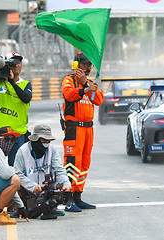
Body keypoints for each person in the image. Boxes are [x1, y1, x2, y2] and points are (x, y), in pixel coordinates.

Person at [61, 52, 104, 212]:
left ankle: (78, 196)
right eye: (85, 65)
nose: (88, 68)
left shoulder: (90, 82)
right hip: (74, 128)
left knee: (85, 163)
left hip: (88, 129)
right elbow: (69, 95)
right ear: (76, 65)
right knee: (72, 162)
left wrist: (86, 84)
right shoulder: (68, 80)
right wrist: (84, 89)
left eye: (90, 66)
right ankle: (67, 198)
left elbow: (98, 100)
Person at [13, 124, 71, 220]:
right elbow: (17, 173)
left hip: (47, 187)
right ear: (36, 139)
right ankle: (20, 207)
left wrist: (66, 184)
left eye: (49, 141)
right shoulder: (22, 151)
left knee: (61, 185)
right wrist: (32, 186)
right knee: (14, 183)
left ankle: (50, 206)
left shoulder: (51, 149)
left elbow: (59, 169)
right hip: (28, 189)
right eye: (44, 140)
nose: (47, 143)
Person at [0, 52, 32, 166]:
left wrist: (12, 82)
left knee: (16, 167)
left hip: (17, 132)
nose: (17, 64)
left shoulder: (25, 84)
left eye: (19, 62)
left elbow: (26, 98)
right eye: (13, 62)